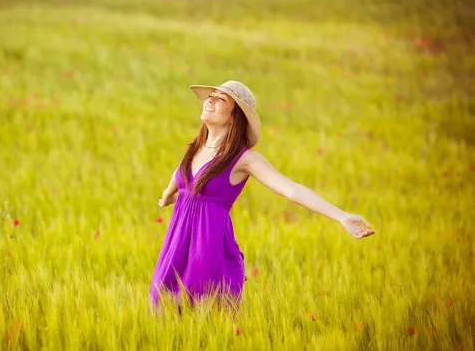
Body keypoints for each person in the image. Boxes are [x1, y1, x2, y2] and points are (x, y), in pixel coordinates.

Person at [149, 81, 375, 313]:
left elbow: (292, 190)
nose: (210, 100)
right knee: (160, 306)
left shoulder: (244, 160)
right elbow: (181, 173)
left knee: (199, 314)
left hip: (207, 250)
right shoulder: (196, 147)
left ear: (234, 117)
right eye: (211, 95)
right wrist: (169, 193)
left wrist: (342, 216)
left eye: (221, 99)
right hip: (176, 244)